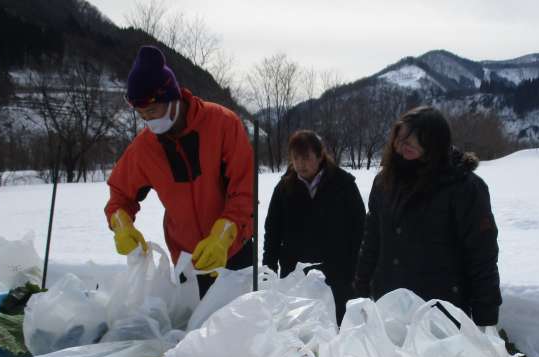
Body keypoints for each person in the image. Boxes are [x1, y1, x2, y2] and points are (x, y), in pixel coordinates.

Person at [104, 45, 254, 297]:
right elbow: (120, 193)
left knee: (240, 329)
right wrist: (120, 223)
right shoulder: (145, 148)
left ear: (172, 98)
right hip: (187, 259)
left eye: (152, 111)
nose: (149, 121)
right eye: (142, 115)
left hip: (233, 251)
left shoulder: (223, 124)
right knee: (195, 331)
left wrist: (224, 234)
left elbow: (245, 190)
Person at [354, 106, 502, 327]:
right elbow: (372, 238)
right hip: (389, 304)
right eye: (398, 140)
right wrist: (361, 286)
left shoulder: (464, 188)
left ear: (434, 144)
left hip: (440, 310)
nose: (400, 147)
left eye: (410, 142)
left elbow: (482, 256)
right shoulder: (385, 182)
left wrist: (486, 318)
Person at [263, 130, 365, 324]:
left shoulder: (343, 184)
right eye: (296, 158)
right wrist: (269, 268)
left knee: (336, 327)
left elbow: (359, 227)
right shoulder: (284, 188)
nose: (300, 164)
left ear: (320, 156)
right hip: (295, 275)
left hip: (336, 274)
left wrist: (353, 269)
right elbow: (273, 231)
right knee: (299, 330)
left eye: (306, 158)